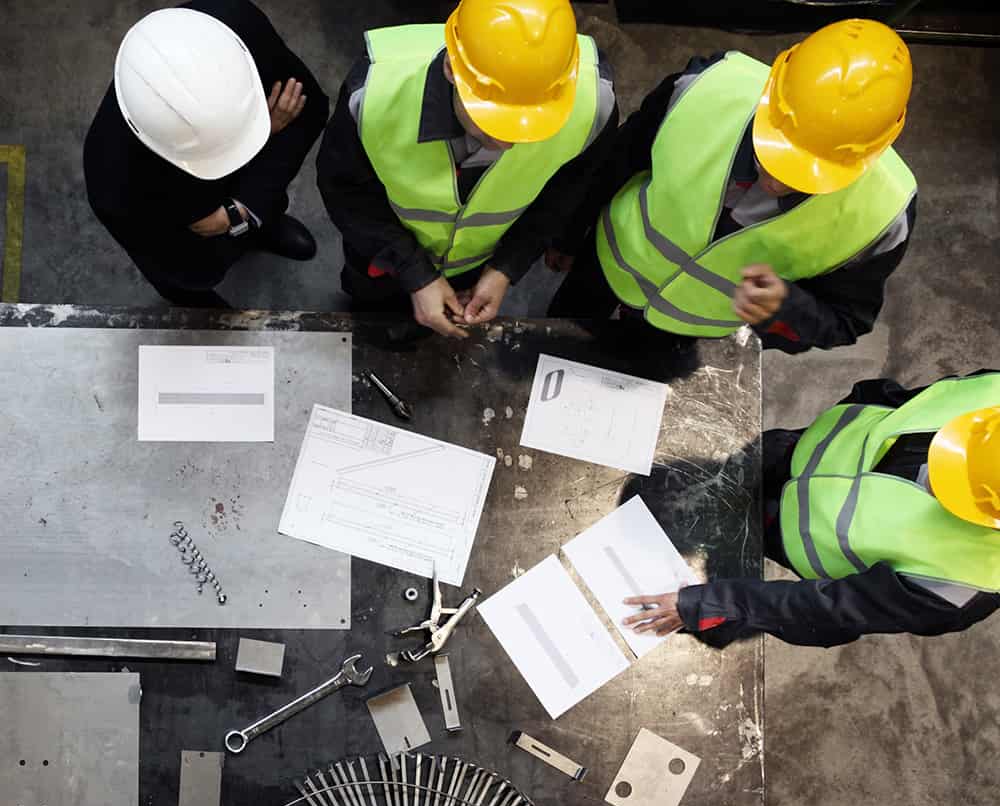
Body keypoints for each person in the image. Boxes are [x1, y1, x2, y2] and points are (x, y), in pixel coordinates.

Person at [548, 19, 917, 353]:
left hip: (688, 331)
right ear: (770, 96)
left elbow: (845, 322)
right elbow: (614, 163)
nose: (775, 181)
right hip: (604, 267)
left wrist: (787, 307)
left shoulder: (882, 218)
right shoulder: (702, 89)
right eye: (774, 154)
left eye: (805, 176)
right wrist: (569, 235)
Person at [623, 372, 1000, 648]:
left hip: (786, 531)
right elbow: (895, 399)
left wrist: (703, 605)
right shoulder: (991, 394)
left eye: (952, 483)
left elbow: (824, 612)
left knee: (731, 556)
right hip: (789, 451)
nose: (934, 474)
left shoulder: (962, 585)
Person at [316, 0, 618, 338]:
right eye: (492, 122)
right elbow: (345, 190)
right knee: (372, 323)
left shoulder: (594, 104)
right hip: (382, 257)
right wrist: (416, 274)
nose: (510, 143)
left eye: (532, 126)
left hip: (476, 267)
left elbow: (565, 194)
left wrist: (505, 268)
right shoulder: (374, 93)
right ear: (450, 69)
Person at [84, 0, 329, 308]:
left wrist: (241, 212)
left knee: (260, 209)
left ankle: (259, 226)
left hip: (230, 207)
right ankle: (197, 306)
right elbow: (185, 267)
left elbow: (311, 109)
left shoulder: (234, 23)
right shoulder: (113, 184)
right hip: (180, 226)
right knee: (195, 280)